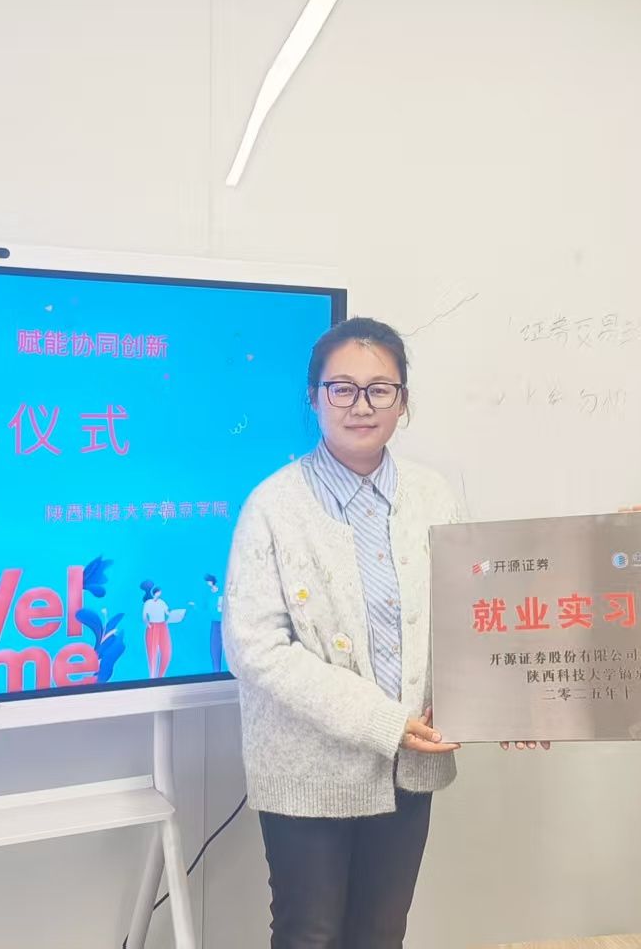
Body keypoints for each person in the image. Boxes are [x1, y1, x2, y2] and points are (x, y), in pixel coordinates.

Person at [226, 317, 546, 949]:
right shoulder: (273, 506)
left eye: (380, 389)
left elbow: (472, 613)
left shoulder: (434, 496)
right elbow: (255, 648)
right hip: (308, 771)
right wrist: (383, 720)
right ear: (314, 397)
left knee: (381, 934)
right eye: (342, 388)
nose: (361, 405)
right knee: (309, 933)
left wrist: (509, 702)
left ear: (403, 401)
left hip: (410, 767)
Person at [141, 580, 174, 679]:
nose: (160, 594)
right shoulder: (148, 603)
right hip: (153, 626)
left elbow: (167, 612)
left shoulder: (162, 602)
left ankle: (160, 676)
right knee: (152, 654)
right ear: (155, 593)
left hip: (163, 626)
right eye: (159, 592)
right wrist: (147, 624)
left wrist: (174, 614)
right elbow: (144, 616)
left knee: (167, 652)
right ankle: (152, 678)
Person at [205, 573, 225, 673]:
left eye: (208, 581)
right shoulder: (208, 595)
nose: (208, 584)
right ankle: (217, 673)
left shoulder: (222, 591)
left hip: (226, 623)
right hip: (215, 624)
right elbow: (206, 609)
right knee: (215, 650)